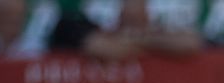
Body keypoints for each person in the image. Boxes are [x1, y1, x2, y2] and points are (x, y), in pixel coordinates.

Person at [47, 0, 203, 60]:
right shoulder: (74, 24)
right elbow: (107, 49)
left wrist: (136, 39)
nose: (133, 16)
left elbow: (191, 43)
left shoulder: (155, 30)